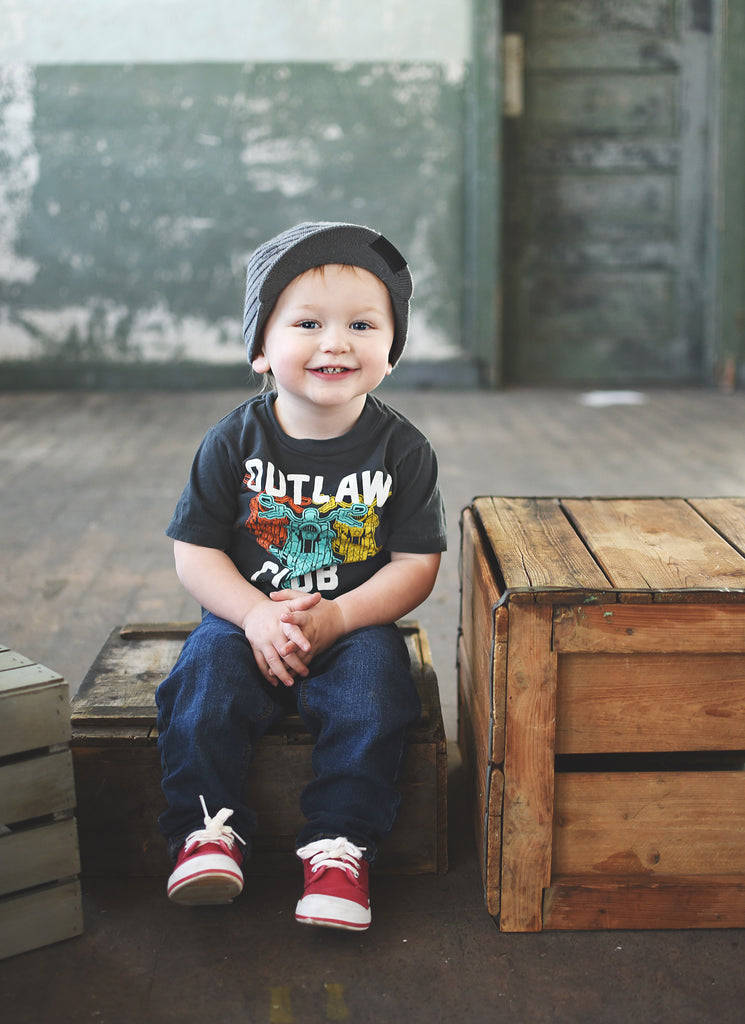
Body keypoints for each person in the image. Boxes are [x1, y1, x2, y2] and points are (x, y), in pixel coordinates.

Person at [155, 221, 447, 931]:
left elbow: (416, 565)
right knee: (200, 684)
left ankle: (339, 847)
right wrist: (254, 614)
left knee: (378, 695)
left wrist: (340, 616)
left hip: (354, 624)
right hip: (244, 618)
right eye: (308, 323)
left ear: (390, 352)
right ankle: (207, 830)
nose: (335, 342)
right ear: (260, 348)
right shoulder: (233, 440)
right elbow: (195, 552)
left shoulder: (403, 450)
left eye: (362, 325)